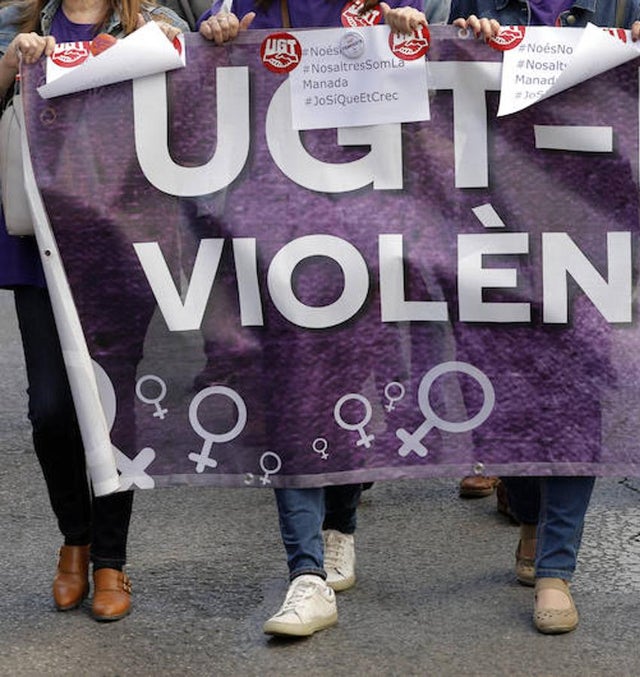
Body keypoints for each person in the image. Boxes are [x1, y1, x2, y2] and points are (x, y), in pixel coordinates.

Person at [197, 0, 428, 638]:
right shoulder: (248, 10)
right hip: (274, 236)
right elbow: (200, 95)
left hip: (366, 232)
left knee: (344, 389)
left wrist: (416, 36)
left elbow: (446, 98)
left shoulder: (385, 9)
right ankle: (306, 575)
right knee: (293, 395)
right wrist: (211, 38)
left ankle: (340, 525)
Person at [451, 1, 640, 635]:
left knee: (576, 404)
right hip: (495, 224)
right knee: (509, 396)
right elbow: (442, 83)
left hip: (591, 229)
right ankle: (529, 515)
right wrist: (466, 41)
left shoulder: (616, 5)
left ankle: (555, 571)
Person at [0, 0, 186, 622]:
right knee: (51, 409)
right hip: (40, 246)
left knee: (110, 405)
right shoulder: (20, 22)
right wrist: (13, 60)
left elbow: (198, 98)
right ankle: (73, 541)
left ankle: (109, 560)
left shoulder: (151, 21)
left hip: (118, 244)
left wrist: (174, 43)